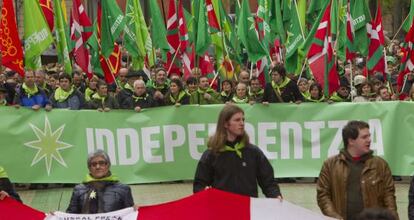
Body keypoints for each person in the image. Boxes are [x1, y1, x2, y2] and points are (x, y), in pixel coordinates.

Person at [193, 104, 282, 198]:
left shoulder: (253, 152)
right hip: (222, 208)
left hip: (247, 208)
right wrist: (204, 191)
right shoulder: (211, 154)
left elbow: (268, 181)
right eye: (237, 120)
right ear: (225, 124)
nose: (242, 123)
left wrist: (275, 195)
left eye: (243, 119)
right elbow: (199, 185)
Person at [317, 120, 398, 220]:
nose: (369, 140)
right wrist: (334, 217)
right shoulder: (330, 165)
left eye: (369, 136)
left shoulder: (380, 165)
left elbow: (389, 197)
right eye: (364, 137)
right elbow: (323, 196)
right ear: (351, 141)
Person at [66, 150, 134, 214]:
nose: (98, 167)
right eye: (94, 164)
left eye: (101, 163)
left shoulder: (123, 189)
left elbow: (130, 215)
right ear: (89, 168)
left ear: (108, 165)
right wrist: (56, 216)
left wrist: (136, 210)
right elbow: (70, 215)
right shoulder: (79, 190)